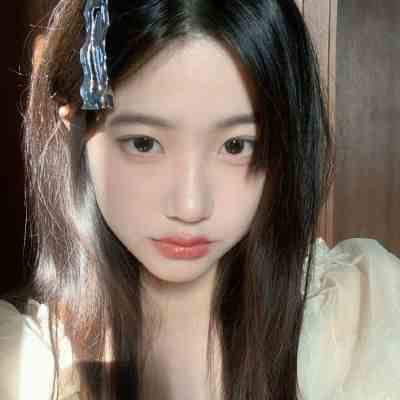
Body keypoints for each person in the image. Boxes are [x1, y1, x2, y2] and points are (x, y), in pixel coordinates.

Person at [1, 0, 399, 399]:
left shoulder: (363, 319)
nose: (190, 207)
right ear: (74, 126)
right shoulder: (23, 371)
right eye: (143, 143)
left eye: (236, 145)